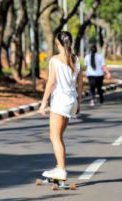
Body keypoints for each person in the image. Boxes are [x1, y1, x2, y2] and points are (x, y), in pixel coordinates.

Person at [39, 31, 83, 181]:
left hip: (60, 101)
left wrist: (44, 102)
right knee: (59, 136)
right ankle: (59, 167)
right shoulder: (76, 59)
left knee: (54, 136)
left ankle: (61, 170)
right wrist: (79, 102)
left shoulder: (55, 60)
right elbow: (80, 83)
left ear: (58, 43)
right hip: (72, 101)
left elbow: (51, 82)